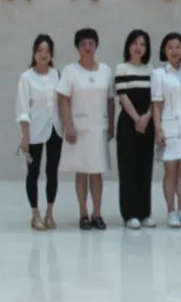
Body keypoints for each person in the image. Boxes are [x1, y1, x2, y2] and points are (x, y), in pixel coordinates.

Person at [57, 28, 115, 230]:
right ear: (77, 47)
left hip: (99, 129)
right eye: (83, 44)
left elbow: (110, 100)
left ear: (96, 46)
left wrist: (112, 125)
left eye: (91, 43)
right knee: (81, 171)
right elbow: (63, 99)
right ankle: (83, 213)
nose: (87, 47)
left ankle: (97, 214)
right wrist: (68, 126)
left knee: (96, 172)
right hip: (79, 129)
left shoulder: (106, 70)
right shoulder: (70, 71)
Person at [151, 32, 181, 229]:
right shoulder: (159, 74)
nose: (174, 51)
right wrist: (158, 129)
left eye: (178, 47)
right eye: (170, 47)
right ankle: (171, 211)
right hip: (168, 125)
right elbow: (156, 104)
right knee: (170, 171)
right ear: (164, 50)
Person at [16, 34, 63, 231]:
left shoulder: (57, 75)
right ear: (34, 53)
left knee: (52, 171)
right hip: (34, 130)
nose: (44, 54)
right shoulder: (26, 78)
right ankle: (35, 213)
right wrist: (25, 135)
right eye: (40, 51)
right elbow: (22, 108)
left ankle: (49, 212)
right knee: (33, 172)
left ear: (51, 54)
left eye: (47, 51)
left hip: (55, 129)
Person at [115, 30, 156, 230]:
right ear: (128, 46)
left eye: (142, 44)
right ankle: (129, 214)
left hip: (148, 124)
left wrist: (147, 117)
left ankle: (144, 212)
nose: (138, 47)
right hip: (128, 124)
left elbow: (155, 97)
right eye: (135, 43)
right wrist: (137, 118)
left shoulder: (151, 70)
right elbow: (122, 96)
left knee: (145, 168)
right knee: (128, 169)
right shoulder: (121, 68)